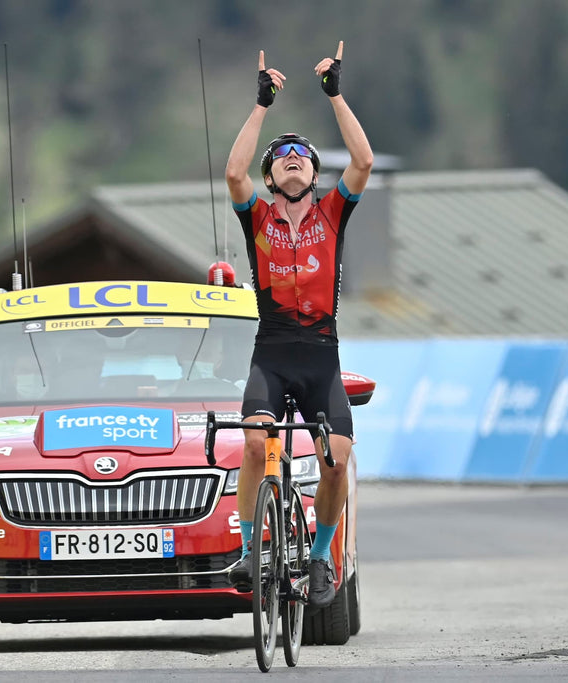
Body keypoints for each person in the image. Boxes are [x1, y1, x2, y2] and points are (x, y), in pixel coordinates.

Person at [223, 42, 373, 609]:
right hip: (273, 350)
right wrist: (261, 106)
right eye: (281, 153)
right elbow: (233, 170)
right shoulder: (256, 215)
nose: (290, 157)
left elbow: (363, 162)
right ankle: (246, 549)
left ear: (313, 173)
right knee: (256, 444)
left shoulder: (334, 212)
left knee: (334, 460)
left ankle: (319, 556)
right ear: (271, 172)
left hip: (320, 355)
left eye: (301, 154)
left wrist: (334, 95)